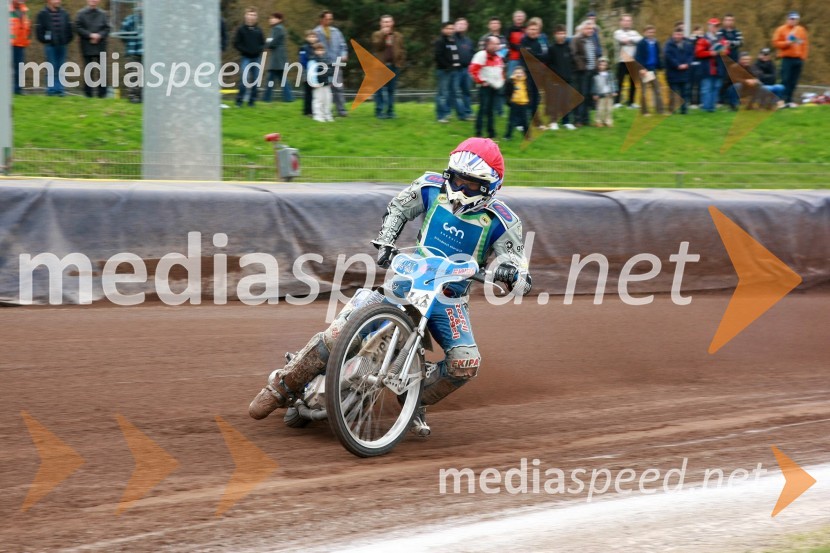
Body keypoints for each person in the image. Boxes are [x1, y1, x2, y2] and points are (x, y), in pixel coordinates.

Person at [249, 137, 533, 436]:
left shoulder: (503, 221)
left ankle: (412, 396)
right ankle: (283, 385)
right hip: (407, 281)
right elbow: (398, 207)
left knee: (466, 363)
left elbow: (521, 273)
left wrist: (511, 272)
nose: (461, 189)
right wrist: (386, 241)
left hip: (450, 300)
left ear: (491, 186)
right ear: (448, 173)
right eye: (457, 179)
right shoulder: (430, 186)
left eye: (471, 184)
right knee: (339, 333)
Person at [469, 36, 505, 139]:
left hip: (495, 87)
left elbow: (501, 71)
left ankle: (491, 133)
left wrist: (501, 82)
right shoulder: (481, 55)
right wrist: (481, 81)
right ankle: (478, 132)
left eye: (498, 44)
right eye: (495, 44)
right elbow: (473, 70)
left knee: (491, 111)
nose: (497, 46)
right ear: (488, 44)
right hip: (485, 87)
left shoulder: (498, 57)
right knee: (483, 109)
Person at [314, 10, 349, 117]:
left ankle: (341, 110)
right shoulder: (316, 32)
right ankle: (325, 110)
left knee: (338, 87)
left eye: (331, 18)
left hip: (336, 63)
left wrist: (344, 54)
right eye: (327, 18)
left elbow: (343, 46)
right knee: (324, 89)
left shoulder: (336, 32)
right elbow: (314, 48)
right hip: (323, 65)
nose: (329, 20)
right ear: (322, 19)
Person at [35, 0, 72, 97]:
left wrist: (66, 40)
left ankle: (60, 90)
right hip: (50, 46)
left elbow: (69, 29)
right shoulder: (42, 14)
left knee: (61, 68)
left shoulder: (64, 13)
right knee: (51, 68)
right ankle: (51, 90)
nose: (58, 1)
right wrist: (46, 40)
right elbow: (39, 31)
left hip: (62, 45)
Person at [371, 14, 405, 119]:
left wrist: (400, 61)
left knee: (391, 90)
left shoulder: (398, 36)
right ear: (381, 24)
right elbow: (377, 46)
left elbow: (402, 49)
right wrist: (383, 35)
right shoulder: (376, 34)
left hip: (394, 66)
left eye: (388, 22)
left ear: (392, 23)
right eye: (384, 22)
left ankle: (390, 111)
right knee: (380, 90)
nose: (387, 24)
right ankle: (380, 112)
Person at [772, 12, 809, 107]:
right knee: (785, 80)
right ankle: (781, 100)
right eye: (791, 19)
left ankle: (789, 99)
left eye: (795, 19)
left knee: (794, 81)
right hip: (786, 58)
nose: (793, 21)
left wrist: (803, 57)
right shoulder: (781, 29)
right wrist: (786, 43)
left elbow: (804, 44)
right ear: (787, 19)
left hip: (798, 59)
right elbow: (775, 42)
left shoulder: (801, 30)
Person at [75, 0, 110, 99]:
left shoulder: (103, 14)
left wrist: (99, 36)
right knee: (88, 70)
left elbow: (107, 28)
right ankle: (88, 93)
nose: (93, 1)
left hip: (101, 45)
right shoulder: (81, 14)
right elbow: (78, 27)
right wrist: (90, 35)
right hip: (87, 45)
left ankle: (102, 94)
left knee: (102, 70)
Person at [694, 18, 729, 113]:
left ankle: (712, 107)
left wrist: (724, 50)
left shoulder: (721, 39)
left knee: (716, 87)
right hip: (707, 68)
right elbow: (698, 53)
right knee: (706, 88)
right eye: (714, 26)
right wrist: (710, 53)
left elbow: (726, 51)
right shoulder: (703, 39)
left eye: (717, 26)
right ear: (709, 27)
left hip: (718, 68)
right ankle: (706, 107)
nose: (716, 28)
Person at [520, 17, 549, 129]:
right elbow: (524, 56)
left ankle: (535, 120)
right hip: (526, 72)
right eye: (531, 29)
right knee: (525, 97)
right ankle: (522, 122)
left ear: (538, 31)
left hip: (538, 73)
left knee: (536, 98)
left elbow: (545, 56)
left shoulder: (541, 41)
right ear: (527, 30)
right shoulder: (524, 41)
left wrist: (533, 55)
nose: (533, 32)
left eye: (535, 30)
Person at [546, 24, 576, 130]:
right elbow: (548, 64)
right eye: (559, 33)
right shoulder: (552, 48)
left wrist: (570, 74)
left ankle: (566, 121)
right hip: (556, 80)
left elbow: (572, 62)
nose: (561, 35)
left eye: (563, 33)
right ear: (555, 35)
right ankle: (553, 122)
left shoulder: (568, 47)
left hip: (568, 79)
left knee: (566, 101)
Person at [233, 8, 265, 108]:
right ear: (246, 16)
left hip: (257, 58)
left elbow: (263, 43)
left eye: (254, 15)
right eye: (250, 14)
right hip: (245, 58)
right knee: (244, 79)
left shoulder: (259, 30)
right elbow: (236, 43)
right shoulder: (241, 29)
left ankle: (252, 102)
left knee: (255, 80)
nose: (251, 17)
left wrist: (259, 50)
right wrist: (245, 50)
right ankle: (239, 101)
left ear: (256, 17)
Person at [477, 17, 508, 116]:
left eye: (497, 23)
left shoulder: (503, 38)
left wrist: (504, 63)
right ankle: (487, 110)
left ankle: (499, 111)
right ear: (489, 25)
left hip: (500, 68)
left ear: (500, 25)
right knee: (487, 91)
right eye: (492, 23)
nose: (495, 25)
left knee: (499, 90)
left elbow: (507, 52)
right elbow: (481, 52)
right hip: (487, 68)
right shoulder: (484, 38)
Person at [434, 21, 464, 123]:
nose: (450, 30)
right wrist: (447, 66)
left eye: (452, 28)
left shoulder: (453, 41)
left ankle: (449, 113)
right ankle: (440, 116)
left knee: (454, 92)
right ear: (443, 29)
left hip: (455, 71)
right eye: (448, 28)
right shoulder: (440, 41)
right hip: (444, 71)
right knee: (443, 94)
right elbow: (438, 56)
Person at [571, 21, 598, 127]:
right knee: (581, 96)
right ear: (583, 29)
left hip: (592, 71)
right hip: (582, 72)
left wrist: (596, 65)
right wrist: (581, 66)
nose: (590, 30)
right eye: (588, 28)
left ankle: (586, 119)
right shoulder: (577, 39)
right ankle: (578, 120)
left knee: (588, 96)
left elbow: (595, 54)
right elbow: (574, 54)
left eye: (592, 28)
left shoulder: (592, 40)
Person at [612, 13, 642, 108]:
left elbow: (640, 40)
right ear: (621, 22)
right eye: (624, 20)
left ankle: (631, 102)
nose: (626, 23)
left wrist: (628, 40)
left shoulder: (635, 33)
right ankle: (617, 102)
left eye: (628, 21)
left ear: (631, 22)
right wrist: (632, 41)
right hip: (621, 61)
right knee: (619, 82)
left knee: (633, 83)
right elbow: (621, 40)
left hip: (633, 61)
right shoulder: (617, 32)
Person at [263, 12, 292, 103]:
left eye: (274, 18)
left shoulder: (277, 28)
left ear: (280, 20)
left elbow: (272, 43)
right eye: (271, 18)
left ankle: (267, 99)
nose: (271, 20)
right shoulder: (277, 29)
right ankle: (288, 98)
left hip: (277, 58)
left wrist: (267, 43)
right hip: (278, 58)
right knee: (280, 80)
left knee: (273, 80)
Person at [634, 25, 664, 116]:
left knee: (657, 90)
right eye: (649, 32)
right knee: (644, 92)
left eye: (652, 32)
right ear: (645, 32)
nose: (651, 34)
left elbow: (659, 55)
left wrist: (660, 67)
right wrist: (641, 69)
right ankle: (644, 111)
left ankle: (660, 110)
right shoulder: (641, 43)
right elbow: (637, 57)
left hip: (653, 69)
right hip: (644, 70)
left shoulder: (656, 43)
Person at [664, 25, 693, 114]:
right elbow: (669, 57)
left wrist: (687, 64)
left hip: (685, 73)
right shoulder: (668, 45)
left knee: (685, 92)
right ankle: (671, 109)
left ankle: (684, 110)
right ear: (673, 35)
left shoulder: (687, 44)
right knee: (673, 92)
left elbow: (691, 55)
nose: (678, 36)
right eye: (676, 34)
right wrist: (677, 65)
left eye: (680, 34)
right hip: (673, 73)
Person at [119, 5, 142, 103]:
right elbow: (122, 34)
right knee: (132, 75)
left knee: (142, 75)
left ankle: (141, 97)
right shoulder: (129, 19)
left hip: (144, 52)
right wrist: (130, 41)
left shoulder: (149, 20)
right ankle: (132, 97)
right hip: (132, 52)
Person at [454, 18, 475, 121]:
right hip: (455, 70)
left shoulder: (469, 41)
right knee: (456, 93)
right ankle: (461, 114)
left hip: (467, 69)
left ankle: (468, 112)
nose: (461, 26)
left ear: (467, 26)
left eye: (464, 24)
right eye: (459, 24)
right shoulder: (452, 39)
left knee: (466, 92)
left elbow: (472, 54)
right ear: (455, 25)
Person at [10, 0, 31, 95]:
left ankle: (18, 89)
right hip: (8, 45)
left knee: (20, 68)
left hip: (21, 44)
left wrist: (28, 39)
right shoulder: (6, 10)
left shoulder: (25, 11)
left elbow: (29, 27)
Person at [308, 42, 333, 122]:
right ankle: (318, 116)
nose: (320, 51)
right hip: (317, 84)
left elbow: (330, 71)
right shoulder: (313, 60)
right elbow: (311, 73)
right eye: (318, 50)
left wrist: (330, 81)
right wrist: (314, 83)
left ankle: (327, 115)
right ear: (314, 51)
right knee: (318, 100)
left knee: (328, 100)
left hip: (326, 84)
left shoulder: (327, 60)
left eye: (321, 50)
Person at [504, 66, 530, 140]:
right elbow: (507, 91)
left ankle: (527, 136)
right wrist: (509, 102)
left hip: (524, 104)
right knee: (511, 121)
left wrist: (528, 101)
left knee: (525, 121)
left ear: (524, 74)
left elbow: (529, 92)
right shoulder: (511, 81)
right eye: (516, 73)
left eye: (520, 73)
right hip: (514, 104)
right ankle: (508, 136)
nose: (518, 74)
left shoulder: (526, 82)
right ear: (513, 73)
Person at [592, 57, 617, 127]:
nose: (602, 66)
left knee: (609, 109)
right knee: (600, 109)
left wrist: (614, 91)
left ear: (607, 66)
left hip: (609, 94)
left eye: (604, 65)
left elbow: (613, 83)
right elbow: (594, 86)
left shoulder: (610, 74)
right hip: (600, 95)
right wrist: (595, 94)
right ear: (598, 65)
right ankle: (598, 121)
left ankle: (608, 121)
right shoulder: (596, 75)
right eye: (601, 65)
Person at [298, 30, 318, 116]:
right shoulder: (303, 48)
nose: (312, 38)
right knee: (308, 92)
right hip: (307, 72)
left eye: (313, 36)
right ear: (306, 38)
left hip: (316, 73)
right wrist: (310, 68)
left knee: (315, 93)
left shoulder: (317, 47)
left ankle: (314, 110)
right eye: (310, 37)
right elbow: (302, 60)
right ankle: (307, 111)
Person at [506, 10, 526, 77]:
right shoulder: (509, 29)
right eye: (517, 16)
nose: (519, 18)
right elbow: (507, 42)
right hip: (513, 58)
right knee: (511, 77)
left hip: (525, 59)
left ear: (524, 18)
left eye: (521, 16)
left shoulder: (527, 29)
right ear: (513, 18)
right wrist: (517, 47)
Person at [688, 25, 704, 108]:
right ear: (694, 31)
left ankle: (699, 102)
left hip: (700, 64)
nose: (700, 33)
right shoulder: (690, 40)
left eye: (701, 31)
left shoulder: (702, 40)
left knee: (699, 84)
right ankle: (692, 102)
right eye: (698, 31)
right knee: (691, 84)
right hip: (692, 64)